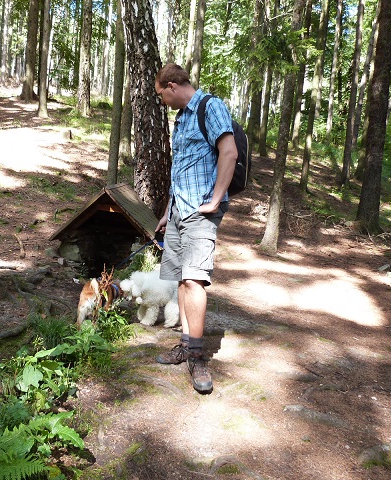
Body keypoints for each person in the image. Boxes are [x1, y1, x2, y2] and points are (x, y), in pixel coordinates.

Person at [153, 64, 237, 393]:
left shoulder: (210, 106)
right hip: (177, 211)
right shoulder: (181, 118)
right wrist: (166, 211)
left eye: (162, 95)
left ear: (172, 86)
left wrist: (215, 199)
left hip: (201, 210)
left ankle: (198, 356)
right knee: (180, 278)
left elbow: (228, 152)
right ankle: (186, 346)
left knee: (195, 278)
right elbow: (181, 169)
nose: (163, 101)